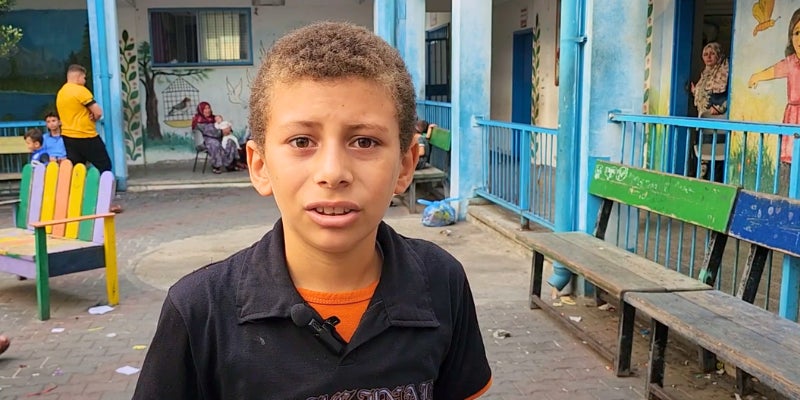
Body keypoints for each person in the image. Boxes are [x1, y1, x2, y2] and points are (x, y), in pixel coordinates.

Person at [133, 21, 492, 400]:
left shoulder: (441, 282)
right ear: (259, 166)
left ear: (405, 166)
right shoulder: (199, 312)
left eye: (364, 141)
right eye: (302, 141)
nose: (333, 173)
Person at [56, 64, 122, 213]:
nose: (85, 81)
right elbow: (98, 112)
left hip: (68, 136)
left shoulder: (61, 92)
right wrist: (94, 116)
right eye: (84, 78)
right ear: (78, 77)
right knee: (105, 166)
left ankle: (76, 204)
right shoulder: (80, 91)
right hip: (86, 135)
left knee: (77, 170)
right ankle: (107, 203)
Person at [749, 7, 800, 165]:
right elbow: (773, 71)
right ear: (791, 37)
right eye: (797, 33)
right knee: (791, 159)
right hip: (793, 116)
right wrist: (757, 76)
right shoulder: (790, 63)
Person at [690, 42, 729, 181]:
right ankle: (703, 183)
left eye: (712, 53)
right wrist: (696, 91)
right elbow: (704, 94)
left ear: (719, 55)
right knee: (703, 155)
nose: (709, 57)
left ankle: (715, 183)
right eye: (705, 54)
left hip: (715, 121)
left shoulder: (724, 71)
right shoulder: (705, 73)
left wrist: (719, 107)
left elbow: (728, 94)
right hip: (703, 119)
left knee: (715, 155)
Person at [191, 102, 238, 174]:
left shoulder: (214, 118)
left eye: (208, 108)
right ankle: (216, 166)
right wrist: (222, 131)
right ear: (201, 110)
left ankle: (229, 164)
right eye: (205, 109)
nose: (208, 110)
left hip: (220, 138)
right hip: (205, 141)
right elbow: (209, 131)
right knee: (214, 143)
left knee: (230, 141)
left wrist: (228, 129)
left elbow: (223, 125)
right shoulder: (199, 121)